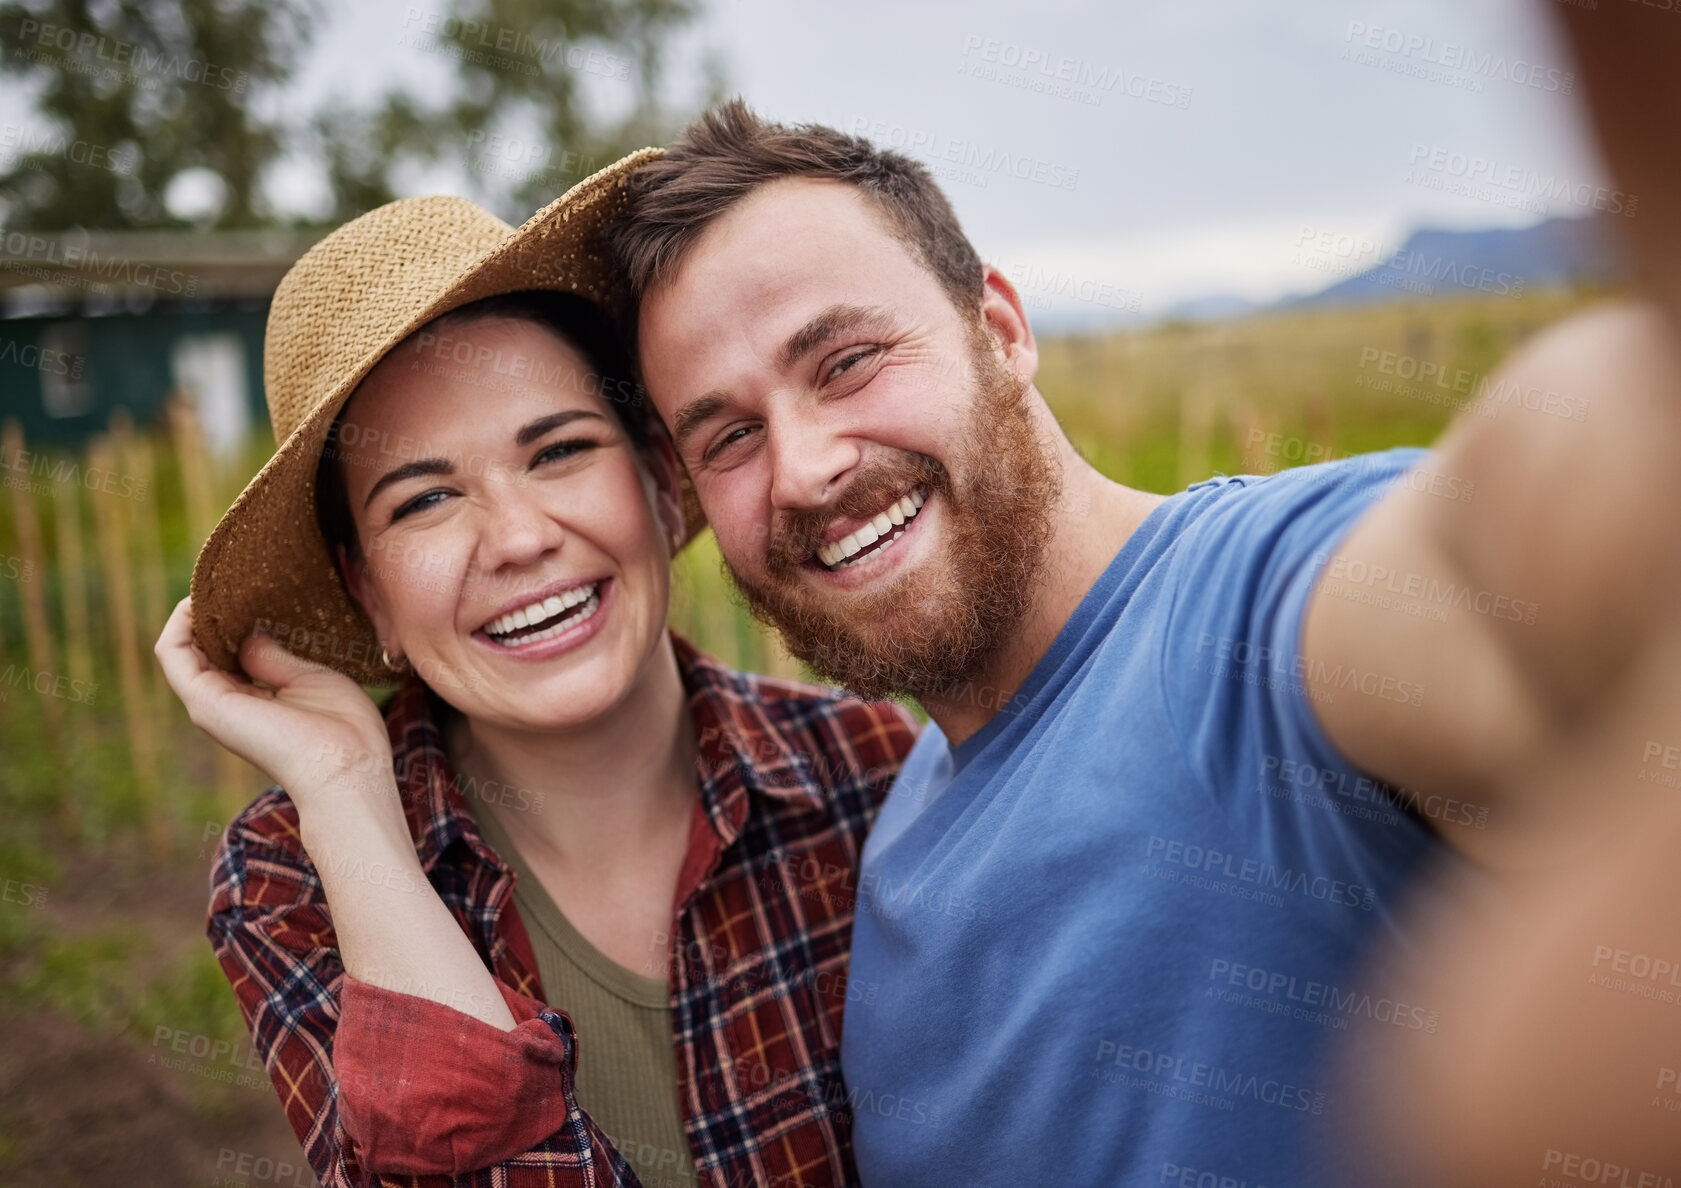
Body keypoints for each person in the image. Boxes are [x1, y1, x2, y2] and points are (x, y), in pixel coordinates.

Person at [583, 96, 1681, 1186]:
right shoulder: (888, 832)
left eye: (848, 361)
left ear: (1000, 332)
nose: (805, 466)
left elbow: (1512, 531)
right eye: (728, 434)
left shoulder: (1265, 610)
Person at [155, 177, 917, 1188]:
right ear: (367, 592)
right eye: (425, 500)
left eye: (558, 450)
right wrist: (344, 791)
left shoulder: (873, 775)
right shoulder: (293, 878)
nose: (517, 539)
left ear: (655, 474)